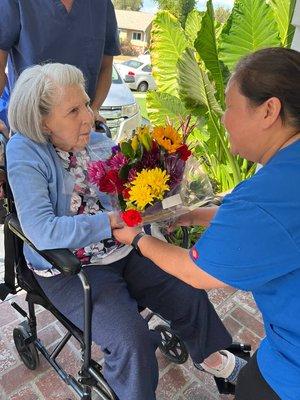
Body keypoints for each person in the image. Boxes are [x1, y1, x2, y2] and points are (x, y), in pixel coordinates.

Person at [6, 63, 246, 400]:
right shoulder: (25, 152)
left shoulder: (98, 140)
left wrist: (163, 200)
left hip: (121, 248)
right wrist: (110, 223)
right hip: (71, 268)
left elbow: (126, 197)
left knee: (188, 291)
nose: (89, 117)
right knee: (131, 340)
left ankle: (214, 360)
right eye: (74, 111)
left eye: (86, 104)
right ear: (43, 121)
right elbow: (42, 230)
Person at [113, 47, 300, 400]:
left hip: (293, 369)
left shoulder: (265, 196)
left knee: (250, 386)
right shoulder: (287, 176)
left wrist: (137, 239)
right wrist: (195, 214)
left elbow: (195, 272)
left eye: (229, 106)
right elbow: (267, 227)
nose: (224, 119)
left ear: (269, 110)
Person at [0, 0, 120, 124]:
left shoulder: (102, 5)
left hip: (81, 126)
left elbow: (106, 68)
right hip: (30, 126)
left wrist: (94, 108)